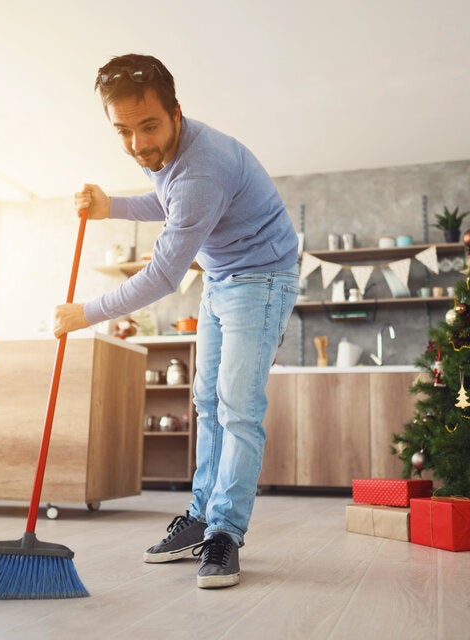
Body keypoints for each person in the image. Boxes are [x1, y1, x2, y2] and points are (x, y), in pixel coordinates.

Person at [55, 53, 299, 589]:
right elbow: (169, 198)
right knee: (206, 401)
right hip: (220, 279)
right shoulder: (166, 154)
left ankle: (225, 532)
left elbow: (164, 275)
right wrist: (113, 207)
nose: (137, 144)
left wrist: (86, 313)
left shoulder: (204, 167)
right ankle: (200, 516)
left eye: (148, 127)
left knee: (238, 410)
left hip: (261, 280)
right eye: (123, 131)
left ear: (176, 114)